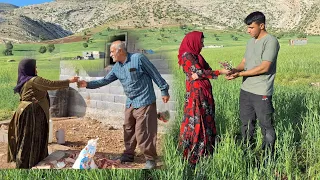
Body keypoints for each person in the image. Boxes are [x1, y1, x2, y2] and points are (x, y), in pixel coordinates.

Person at [77, 40, 170, 169]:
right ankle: (128, 154)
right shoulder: (117, 67)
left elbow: (154, 73)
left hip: (145, 99)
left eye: (112, 51)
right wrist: (87, 84)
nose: (110, 54)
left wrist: (164, 89)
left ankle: (150, 159)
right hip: (131, 101)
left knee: (144, 131)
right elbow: (105, 80)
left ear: (120, 51)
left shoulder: (138, 59)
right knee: (128, 127)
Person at [8, 58, 78, 168]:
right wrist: (70, 80)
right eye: (34, 67)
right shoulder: (34, 80)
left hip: (26, 112)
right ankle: (29, 164)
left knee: (27, 138)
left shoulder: (24, 79)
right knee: (32, 139)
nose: (36, 69)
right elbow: (51, 84)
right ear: (29, 68)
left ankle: (27, 163)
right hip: (33, 114)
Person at [227, 11, 280, 154]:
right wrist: (233, 70)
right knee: (246, 123)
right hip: (246, 90)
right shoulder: (251, 42)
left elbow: (265, 67)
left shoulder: (271, 41)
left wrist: (240, 74)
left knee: (266, 125)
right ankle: (247, 151)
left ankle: (268, 157)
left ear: (261, 25)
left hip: (261, 91)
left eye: (251, 27)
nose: (248, 30)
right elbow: (244, 62)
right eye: (247, 27)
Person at [178, 31, 229, 165]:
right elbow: (198, 72)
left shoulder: (197, 56)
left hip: (204, 91)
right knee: (197, 122)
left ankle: (207, 151)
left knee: (206, 120)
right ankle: (195, 155)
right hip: (196, 94)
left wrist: (221, 69)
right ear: (193, 42)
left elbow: (206, 70)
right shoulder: (187, 56)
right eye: (201, 42)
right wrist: (219, 72)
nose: (202, 44)